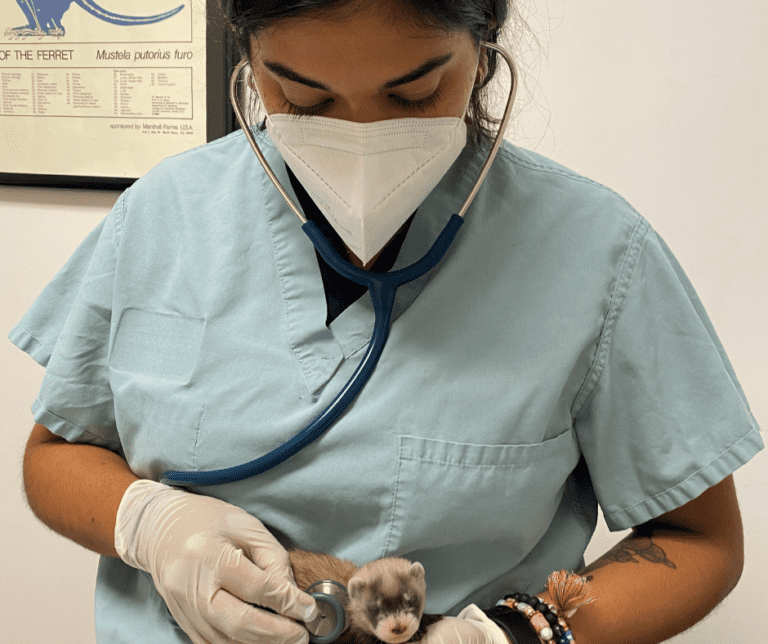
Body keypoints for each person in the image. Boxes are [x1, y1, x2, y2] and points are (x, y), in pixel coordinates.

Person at [12, 1, 763, 643]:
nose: (361, 138)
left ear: (484, 52)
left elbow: (698, 541)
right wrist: (149, 523)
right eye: (302, 95)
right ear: (247, 58)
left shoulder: (596, 252)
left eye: (415, 93)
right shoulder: (165, 214)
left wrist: (515, 633)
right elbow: (56, 455)